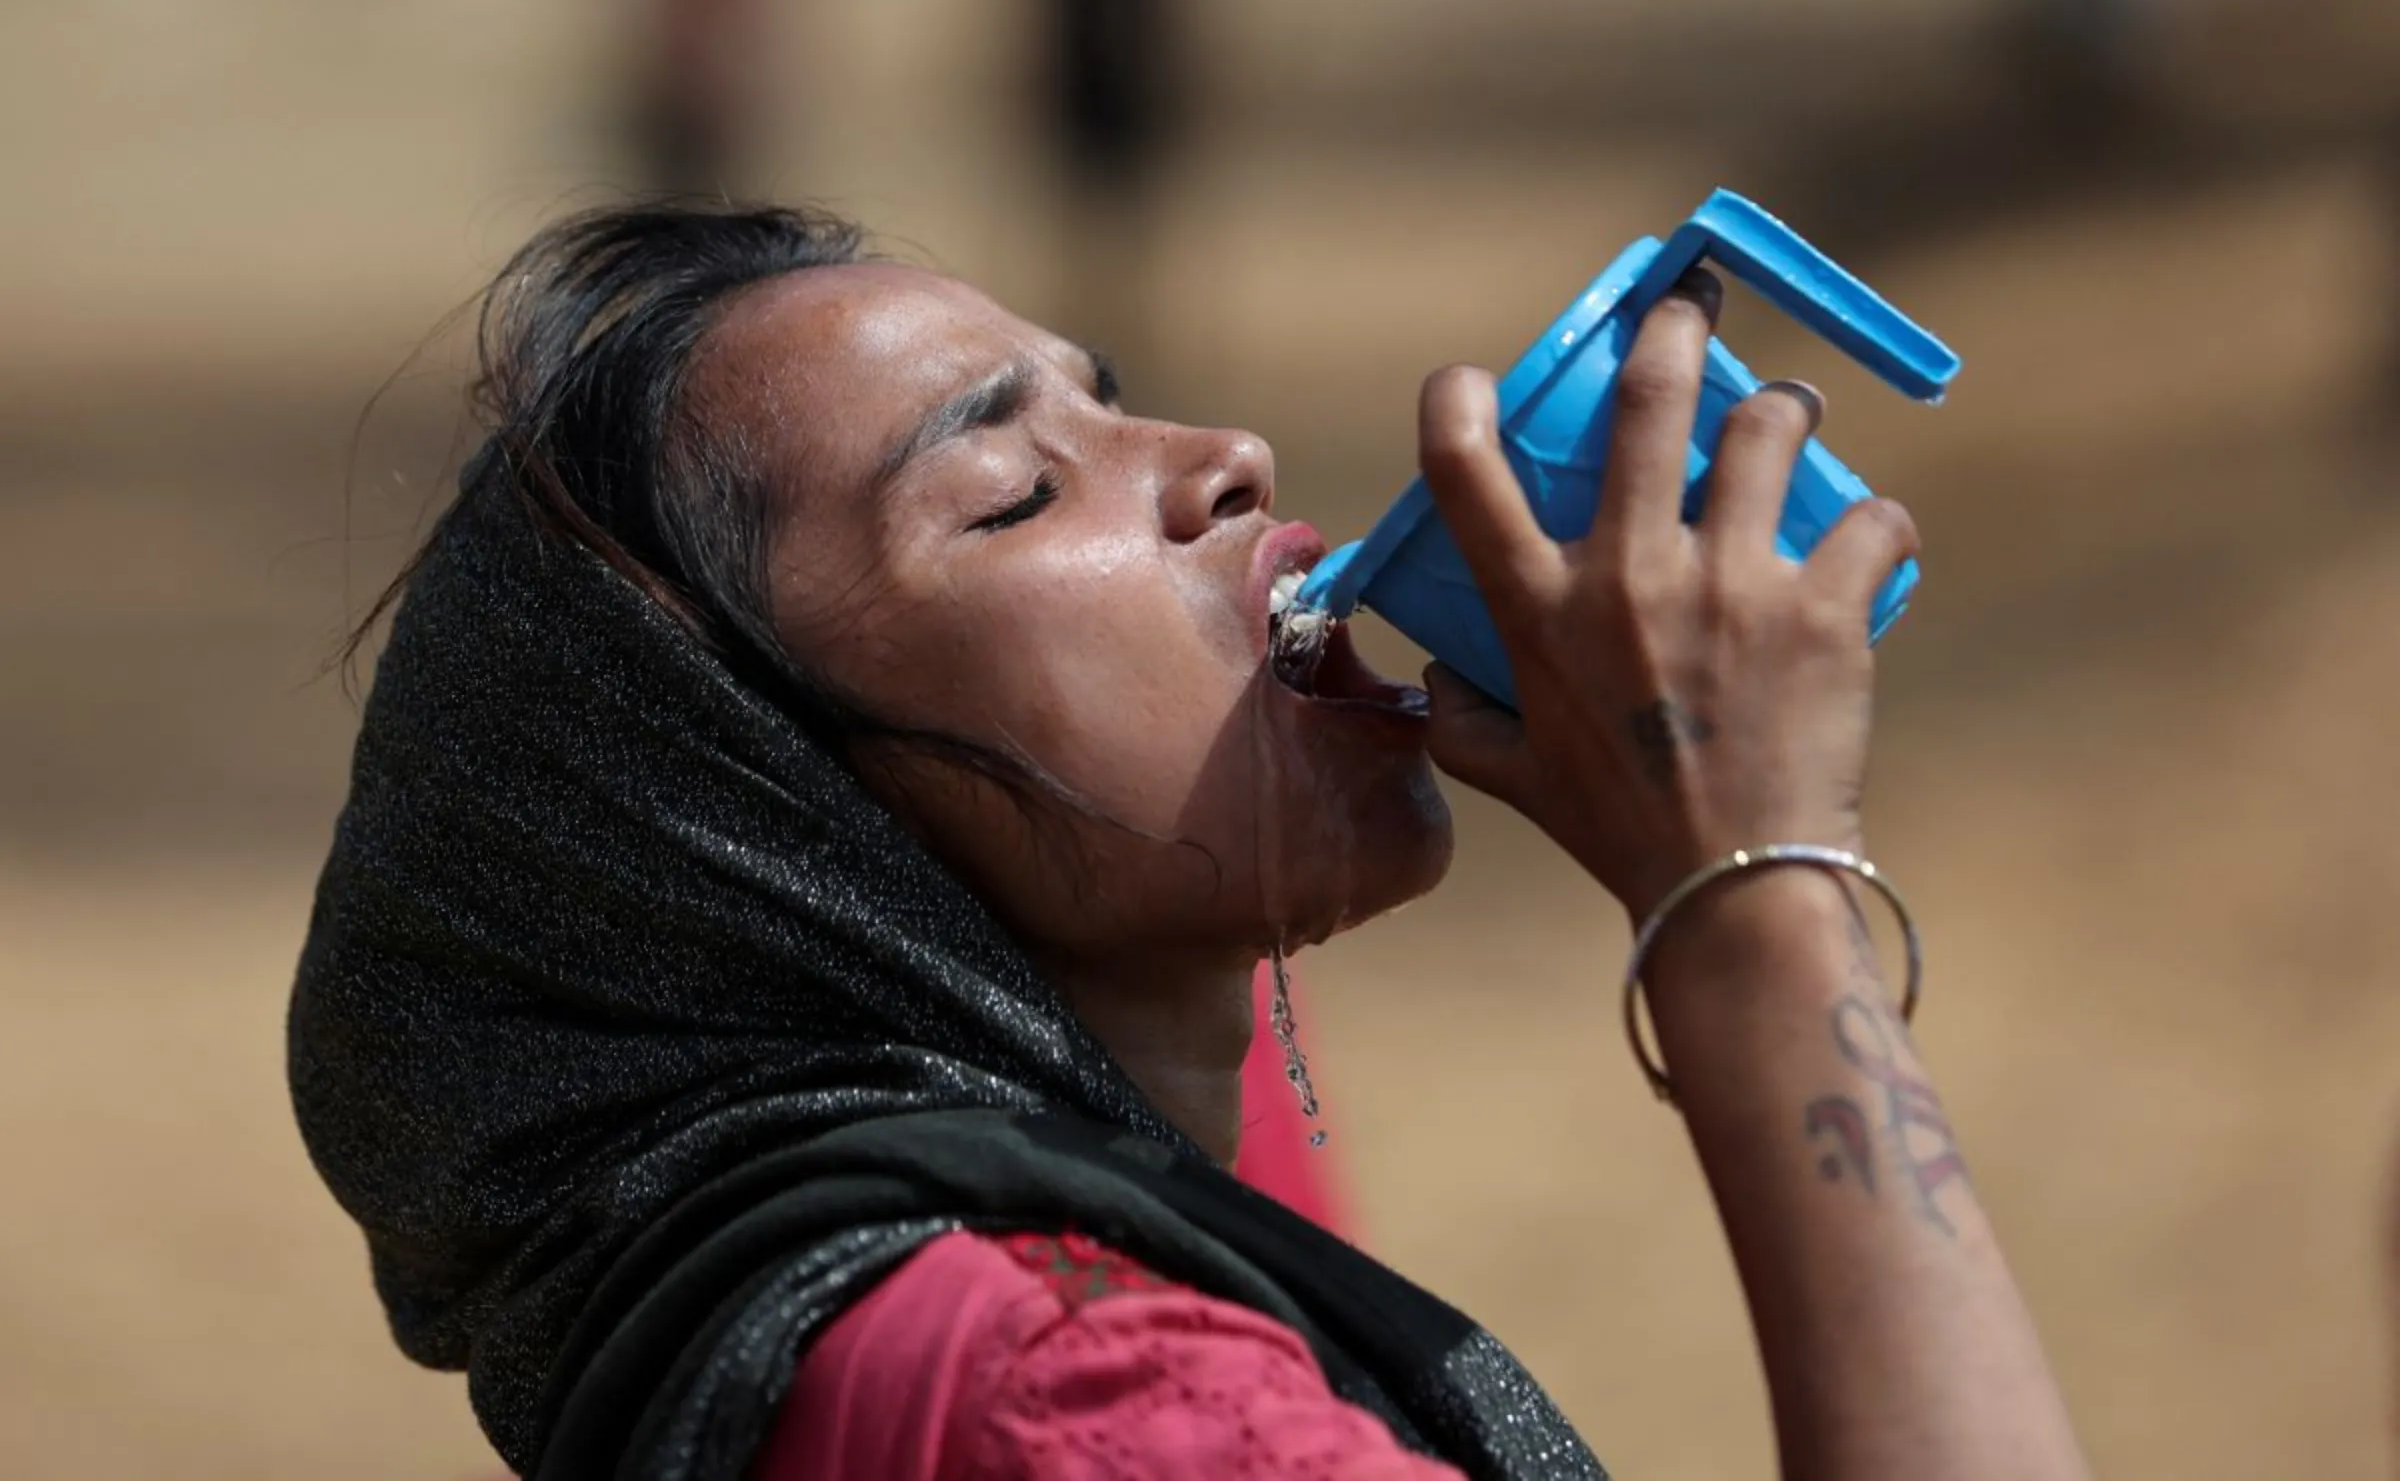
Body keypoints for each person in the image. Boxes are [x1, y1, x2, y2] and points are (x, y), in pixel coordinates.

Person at [289, 202, 2092, 1480]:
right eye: (1006, 489)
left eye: (1105, 393)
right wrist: (1752, 905)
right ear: (767, 828)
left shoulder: (1097, 1195)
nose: (1225, 455)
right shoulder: (1071, 1404)